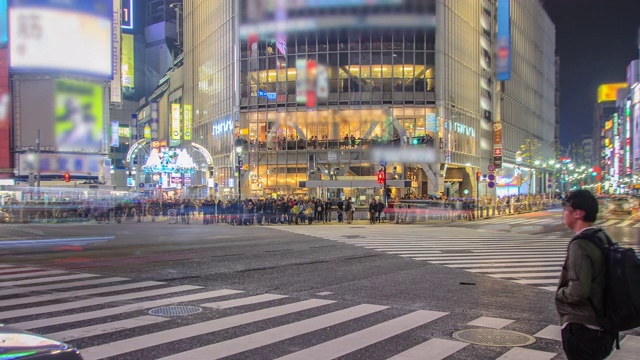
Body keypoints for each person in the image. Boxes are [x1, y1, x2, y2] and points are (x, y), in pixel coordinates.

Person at [556, 189, 615, 360]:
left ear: (578, 213)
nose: (564, 213)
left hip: (583, 326)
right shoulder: (601, 236)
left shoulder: (580, 244)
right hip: (602, 322)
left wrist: (560, 294)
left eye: (567, 208)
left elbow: (579, 291)